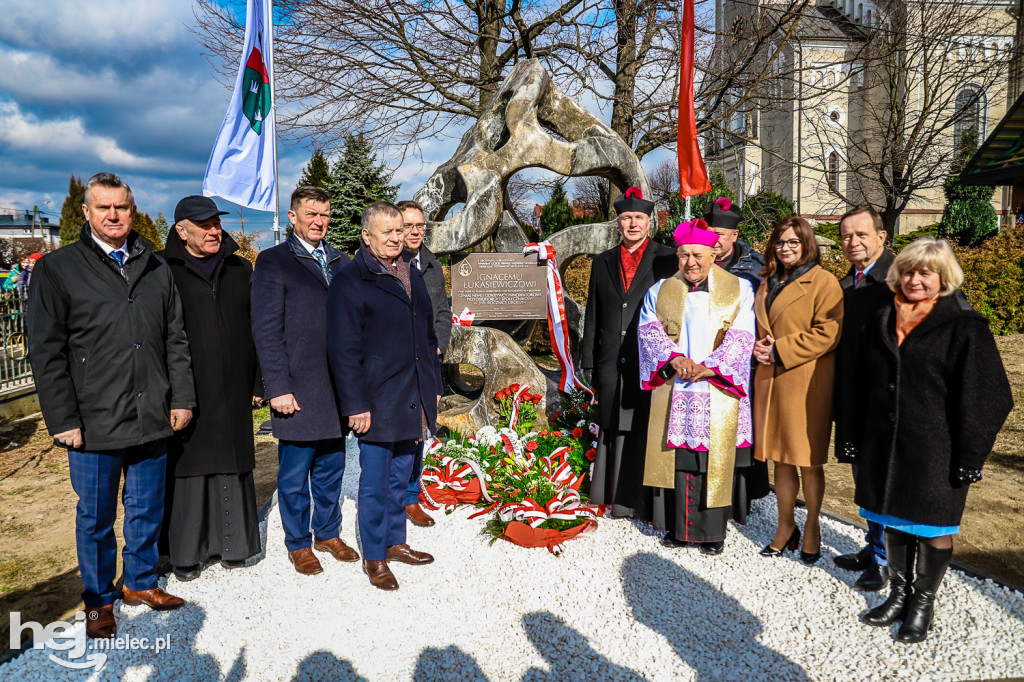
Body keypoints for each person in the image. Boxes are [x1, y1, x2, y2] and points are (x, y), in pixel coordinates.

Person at [27, 172, 194, 638]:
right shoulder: (58, 269)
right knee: (97, 517)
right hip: (93, 420)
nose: (114, 215)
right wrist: (62, 419)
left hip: (152, 413)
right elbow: (46, 350)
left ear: (132, 209)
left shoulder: (154, 265)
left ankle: (140, 582)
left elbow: (174, 337)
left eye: (121, 207)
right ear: (87, 212)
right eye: (104, 208)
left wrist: (180, 397)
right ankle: (99, 599)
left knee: (146, 507)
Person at [851, 238, 1012, 643]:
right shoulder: (884, 315)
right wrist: (855, 433)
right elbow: (862, 381)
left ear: (943, 277)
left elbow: (990, 396)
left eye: (925, 272)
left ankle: (922, 604)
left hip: (938, 448)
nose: (914, 279)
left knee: (933, 525)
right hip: (886, 443)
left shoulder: (963, 325)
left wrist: (970, 455)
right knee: (894, 520)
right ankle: (898, 595)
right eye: (908, 271)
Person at [328, 201, 442, 591]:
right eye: (387, 232)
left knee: (400, 479)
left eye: (399, 231)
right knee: (374, 485)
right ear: (366, 236)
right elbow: (343, 350)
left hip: (413, 396)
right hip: (376, 400)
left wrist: (434, 390)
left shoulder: (412, 274)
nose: (396, 238)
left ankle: (396, 543)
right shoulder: (350, 279)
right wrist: (355, 404)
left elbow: (427, 338)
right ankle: (375, 557)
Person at [251, 186, 355, 577]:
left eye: (324, 214)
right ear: (292, 216)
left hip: (338, 386)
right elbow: (265, 329)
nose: (319, 221)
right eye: (310, 213)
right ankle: (298, 542)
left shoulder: (341, 261)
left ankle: (327, 532)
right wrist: (277, 386)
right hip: (297, 384)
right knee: (295, 473)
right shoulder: (274, 261)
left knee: (331, 466)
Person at [159, 196, 263, 582]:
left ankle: (233, 547)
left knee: (232, 463)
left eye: (216, 223)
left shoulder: (239, 268)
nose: (214, 230)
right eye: (203, 225)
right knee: (188, 468)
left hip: (234, 386)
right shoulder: (162, 268)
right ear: (182, 230)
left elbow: (256, 327)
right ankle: (187, 554)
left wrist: (257, 381)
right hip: (186, 388)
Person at [637, 219, 756, 554]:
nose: (691, 262)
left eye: (698, 255)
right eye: (685, 255)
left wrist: (712, 368)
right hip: (677, 387)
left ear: (712, 255)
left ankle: (711, 534)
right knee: (682, 460)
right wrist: (673, 358)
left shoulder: (739, 289)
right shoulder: (660, 290)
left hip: (717, 388)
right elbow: (649, 330)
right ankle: (680, 528)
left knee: (713, 459)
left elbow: (743, 335)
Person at [581, 187, 677, 520]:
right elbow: (593, 312)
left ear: (649, 222)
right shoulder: (602, 261)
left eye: (639, 218)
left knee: (644, 427)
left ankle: (641, 502)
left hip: (649, 360)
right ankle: (611, 495)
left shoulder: (667, 258)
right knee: (612, 424)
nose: (632, 224)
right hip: (611, 359)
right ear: (618, 223)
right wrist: (589, 362)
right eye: (626, 218)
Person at [752, 216, 843, 564]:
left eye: (794, 242)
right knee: (780, 460)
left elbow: (829, 333)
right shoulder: (767, 281)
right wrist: (759, 348)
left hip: (805, 383)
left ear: (807, 244)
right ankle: (785, 525)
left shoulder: (824, 282)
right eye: (781, 242)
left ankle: (813, 527)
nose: (786, 248)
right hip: (770, 381)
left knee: (808, 463)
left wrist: (780, 349)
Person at [833, 205, 896, 591]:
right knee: (865, 479)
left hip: (888, 403)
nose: (853, 242)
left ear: (881, 237)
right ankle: (875, 547)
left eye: (861, 235)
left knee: (885, 482)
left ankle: (889, 560)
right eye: (846, 236)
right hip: (855, 402)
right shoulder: (846, 285)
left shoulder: (898, 280)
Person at [702, 196, 770, 522]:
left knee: (739, 437)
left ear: (734, 235)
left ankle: (741, 501)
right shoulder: (694, 262)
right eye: (709, 232)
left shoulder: (756, 267)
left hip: (742, 365)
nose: (715, 240)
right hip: (700, 363)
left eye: (721, 234)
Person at [397, 199, 452, 529]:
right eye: (408, 226)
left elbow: (443, 313)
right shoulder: (389, 263)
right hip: (399, 366)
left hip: (427, 363)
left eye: (420, 225)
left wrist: (439, 348)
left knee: (420, 433)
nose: (415, 231)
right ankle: (394, 495)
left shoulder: (430, 264)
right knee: (398, 433)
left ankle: (411, 496)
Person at [703, 197, 764, 289]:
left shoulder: (759, 267)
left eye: (719, 234)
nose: (712, 239)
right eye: (708, 234)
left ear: (734, 235)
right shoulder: (692, 262)